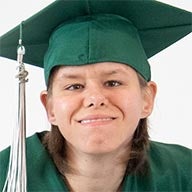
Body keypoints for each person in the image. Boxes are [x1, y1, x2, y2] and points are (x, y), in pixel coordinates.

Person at [0, 1, 192, 191]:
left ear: (147, 99)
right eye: (74, 86)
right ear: (50, 107)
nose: (95, 98)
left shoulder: (183, 174)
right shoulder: (7, 177)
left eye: (113, 83)